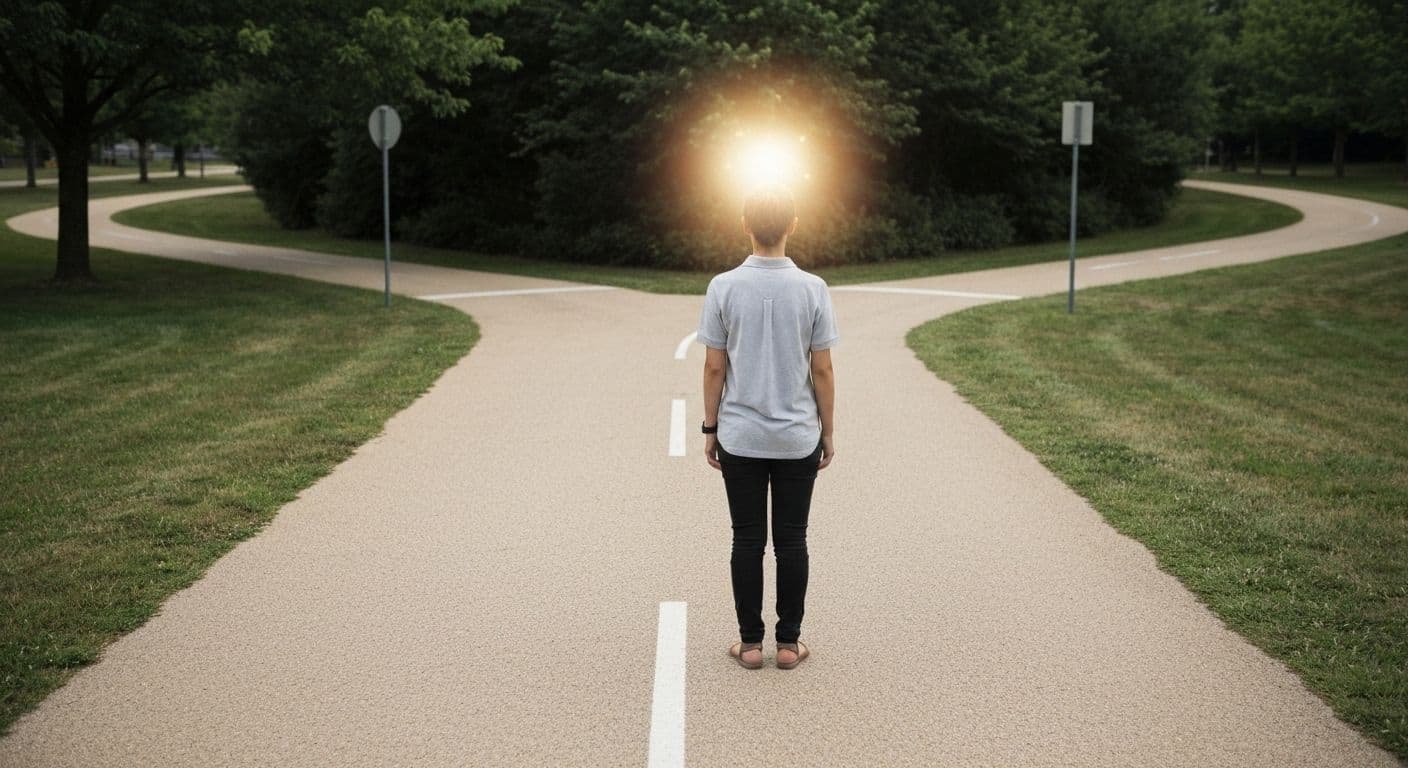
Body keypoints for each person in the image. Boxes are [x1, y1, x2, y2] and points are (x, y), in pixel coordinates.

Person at [696, 185, 839, 670]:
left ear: (745, 224)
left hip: (742, 435)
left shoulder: (723, 287)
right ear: (793, 225)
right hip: (798, 435)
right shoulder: (813, 288)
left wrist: (711, 428)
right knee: (793, 539)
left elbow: (715, 368)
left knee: (747, 539)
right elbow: (822, 370)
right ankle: (789, 644)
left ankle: (750, 644)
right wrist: (829, 431)